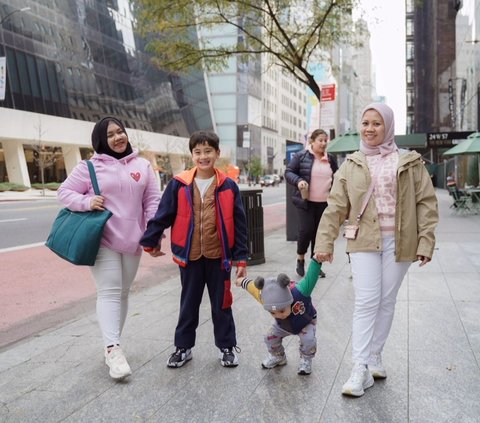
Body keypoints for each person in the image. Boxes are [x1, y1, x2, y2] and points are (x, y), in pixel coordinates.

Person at [314, 103, 438, 397]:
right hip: (363, 240)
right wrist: (324, 243)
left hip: (400, 241)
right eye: (366, 122)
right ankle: (359, 367)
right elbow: (335, 207)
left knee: (386, 301)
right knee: (367, 300)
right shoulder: (350, 164)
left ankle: (374, 357)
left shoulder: (409, 162)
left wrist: (426, 241)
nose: (370, 128)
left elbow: (426, 203)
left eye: (377, 123)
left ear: (389, 127)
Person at [57, 117, 161, 380]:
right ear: (101, 141)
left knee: (123, 293)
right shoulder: (89, 167)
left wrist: (153, 234)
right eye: (111, 134)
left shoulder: (143, 165)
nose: (118, 137)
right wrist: (87, 201)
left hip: (133, 239)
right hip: (102, 238)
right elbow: (65, 192)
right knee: (110, 291)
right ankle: (113, 350)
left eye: (120, 132)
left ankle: (112, 345)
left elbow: (152, 202)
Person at [140, 130, 248, 368]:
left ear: (217, 153)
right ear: (192, 155)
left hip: (219, 258)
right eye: (198, 152)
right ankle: (183, 347)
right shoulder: (179, 184)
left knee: (222, 304)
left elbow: (240, 225)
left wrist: (241, 259)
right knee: (188, 304)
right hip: (189, 256)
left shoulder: (228, 186)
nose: (203, 156)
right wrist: (150, 240)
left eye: (208, 151)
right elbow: (163, 214)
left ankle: (227, 346)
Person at [235, 258, 322, 375]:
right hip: (284, 326)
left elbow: (310, 278)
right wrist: (242, 281)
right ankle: (278, 356)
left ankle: (306, 359)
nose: (279, 315)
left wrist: (316, 260)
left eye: (282, 310)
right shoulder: (266, 298)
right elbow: (253, 288)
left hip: (305, 321)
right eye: (273, 313)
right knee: (269, 336)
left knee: (308, 339)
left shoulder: (300, 292)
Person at [285, 129, 338, 278]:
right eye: (320, 140)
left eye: (325, 140)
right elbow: (288, 172)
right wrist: (299, 181)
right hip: (305, 202)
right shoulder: (301, 156)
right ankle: (300, 259)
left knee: (319, 235)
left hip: (324, 203)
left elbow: (338, 176)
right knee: (306, 230)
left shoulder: (331, 159)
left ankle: (316, 266)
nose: (323, 143)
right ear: (312, 141)